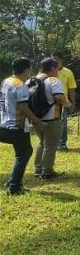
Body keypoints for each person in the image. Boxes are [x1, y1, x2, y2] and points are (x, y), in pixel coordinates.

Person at [0, 58, 43, 195]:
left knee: (21, 153)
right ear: (26, 70)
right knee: (24, 153)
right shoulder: (21, 86)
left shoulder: (7, 81)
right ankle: (14, 187)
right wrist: (37, 121)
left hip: (3, 124)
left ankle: (14, 182)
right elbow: (23, 107)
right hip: (16, 126)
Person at [33, 58, 72, 180]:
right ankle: (47, 172)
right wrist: (67, 104)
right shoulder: (53, 80)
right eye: (57, 69)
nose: (58, 72)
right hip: (51, 117)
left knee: (42, 143)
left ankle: (38, 168)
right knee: (50, 145)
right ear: (52, 68)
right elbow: (59, 97)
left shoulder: (32, 80)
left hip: (36, 117)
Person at [52, 53, 77, 151]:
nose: (55, 62)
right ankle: (52, 143)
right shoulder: (48, 71)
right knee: (52, 123)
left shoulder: (68, 72)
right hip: (50, 102)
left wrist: (73, 103)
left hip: (63, 102)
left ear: (61, 60)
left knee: (63, 122)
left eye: (57, 60)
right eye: (53, 60)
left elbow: (71, 89)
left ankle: (62, 143)